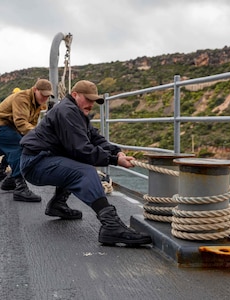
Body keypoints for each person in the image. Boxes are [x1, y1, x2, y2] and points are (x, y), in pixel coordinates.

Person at [20, 80, 152, 246]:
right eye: (88, 99)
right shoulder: (67, 112)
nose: (91, 104)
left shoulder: (75, 112)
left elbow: (94, 137)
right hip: (35, 163)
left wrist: (115, 151)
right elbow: (81, 150)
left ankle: (57, 205)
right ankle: (111, 225)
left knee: (74, 163)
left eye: (94, 101)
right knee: (84, 170)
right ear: (75, 95)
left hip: (42, 160)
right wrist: (114, 160)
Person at [0, 79, 54, 202]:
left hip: (10, 127)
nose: (45, 98)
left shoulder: (38, 103)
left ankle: (10, 179)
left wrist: (35, 139)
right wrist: (41, 136)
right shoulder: (22, 98)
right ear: (35, 90)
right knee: (18, 147)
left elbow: (31, 123)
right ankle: (20, 188)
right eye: (43, 95)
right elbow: (21, 123)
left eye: (47, 96)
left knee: (26, 144)